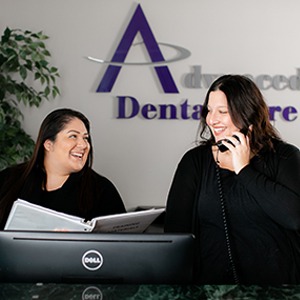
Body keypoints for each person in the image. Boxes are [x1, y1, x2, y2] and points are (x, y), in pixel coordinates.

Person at [164, 75, 300, 284]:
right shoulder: (195, 162)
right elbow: (175, 233)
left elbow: (294, 217)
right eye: (209, 111)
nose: (212, 119)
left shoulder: (285, 157)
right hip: (212, 290)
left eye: (223, 112)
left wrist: (243, 170)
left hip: (278, 289)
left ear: (248, 115)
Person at [0, 108, 126, 230]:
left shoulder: (102, 189)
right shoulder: (8, 180)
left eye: (85, 138)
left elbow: (120, 245)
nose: (83, 145)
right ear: (49, 144)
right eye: (73, 136)